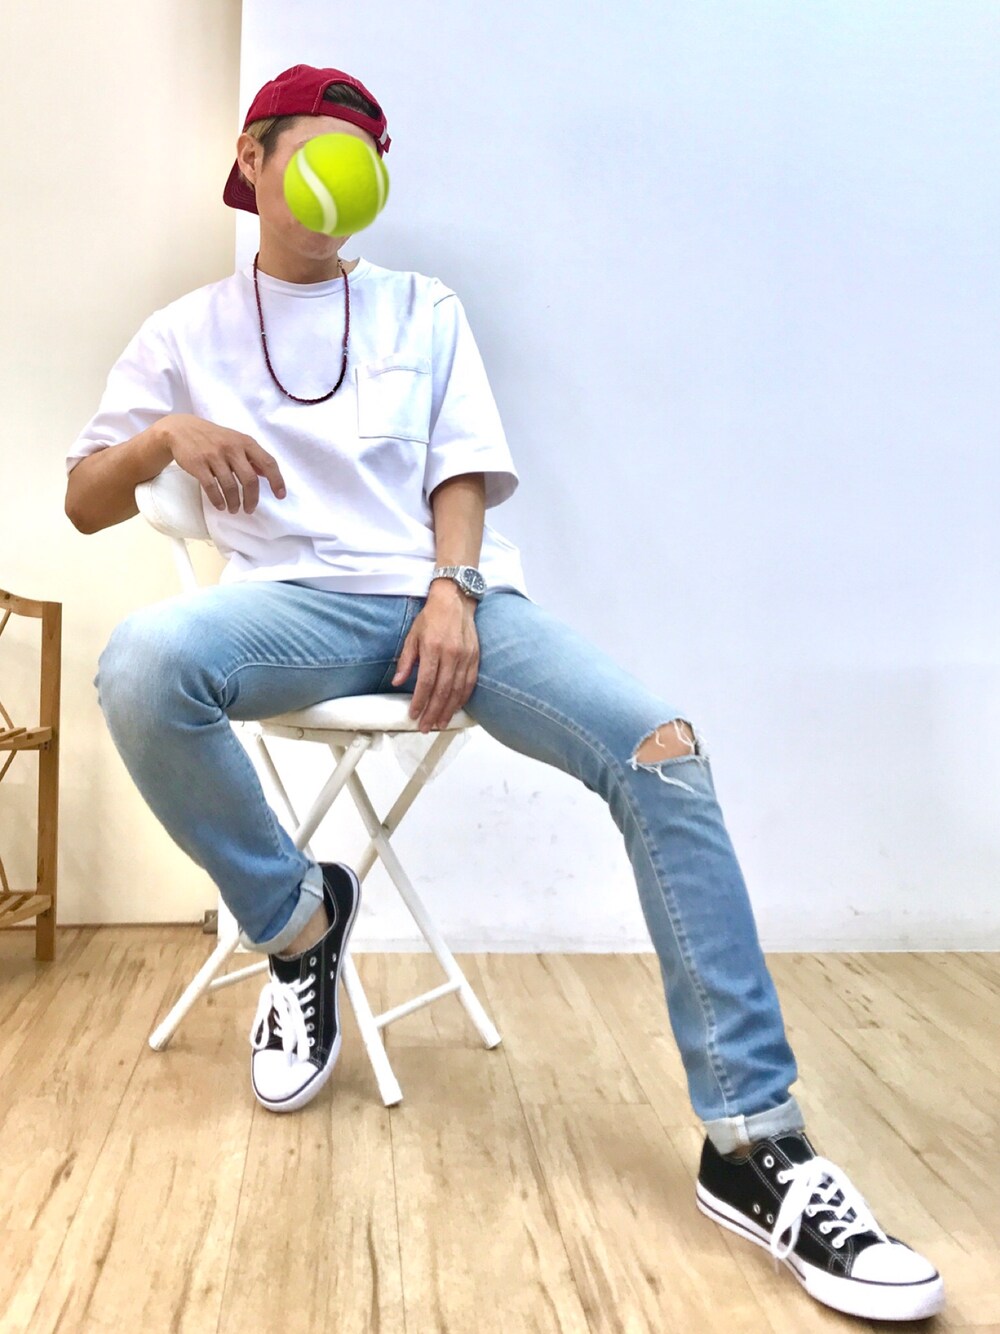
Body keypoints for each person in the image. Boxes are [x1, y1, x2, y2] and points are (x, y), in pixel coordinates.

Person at [64, 63, 943, 1322]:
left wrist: (454, 590)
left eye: (368, 153)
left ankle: (754, 1143)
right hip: (291, 611)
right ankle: (300, 921)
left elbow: (460, 473)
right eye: (318, 145)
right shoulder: (185, 332)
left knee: (661, 748)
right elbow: (83, 502)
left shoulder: (420, 307)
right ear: (252, 158)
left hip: (452, 603)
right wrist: (163, 438)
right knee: (144, 662)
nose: (345, 170)